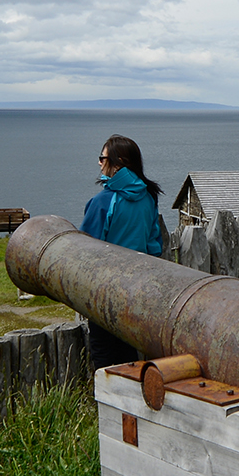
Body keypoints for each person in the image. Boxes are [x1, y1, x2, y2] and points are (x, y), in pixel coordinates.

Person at [80, 133, 166, 369]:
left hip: (104, 291)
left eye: (102, 157)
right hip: (137, 288)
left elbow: (86, 252)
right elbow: (153, 246)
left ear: (117, 163)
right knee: (129, 354)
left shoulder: (103, 202)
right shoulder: (149, 198)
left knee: (105, 357)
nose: (99, 162)